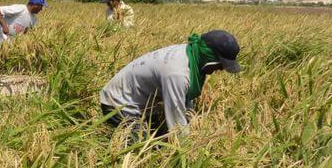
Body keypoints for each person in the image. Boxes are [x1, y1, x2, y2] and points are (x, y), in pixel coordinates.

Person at [99, 30, 241, 141]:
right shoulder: (177, 73)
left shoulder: (190, 52)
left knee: (160, 133)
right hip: (118, 105)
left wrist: (191, 121)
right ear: (209, 57)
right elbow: (176, 122)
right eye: (220, 65)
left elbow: (184, 98)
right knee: (146, 149)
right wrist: (189, 150)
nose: (220, 70)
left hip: (139, 101)